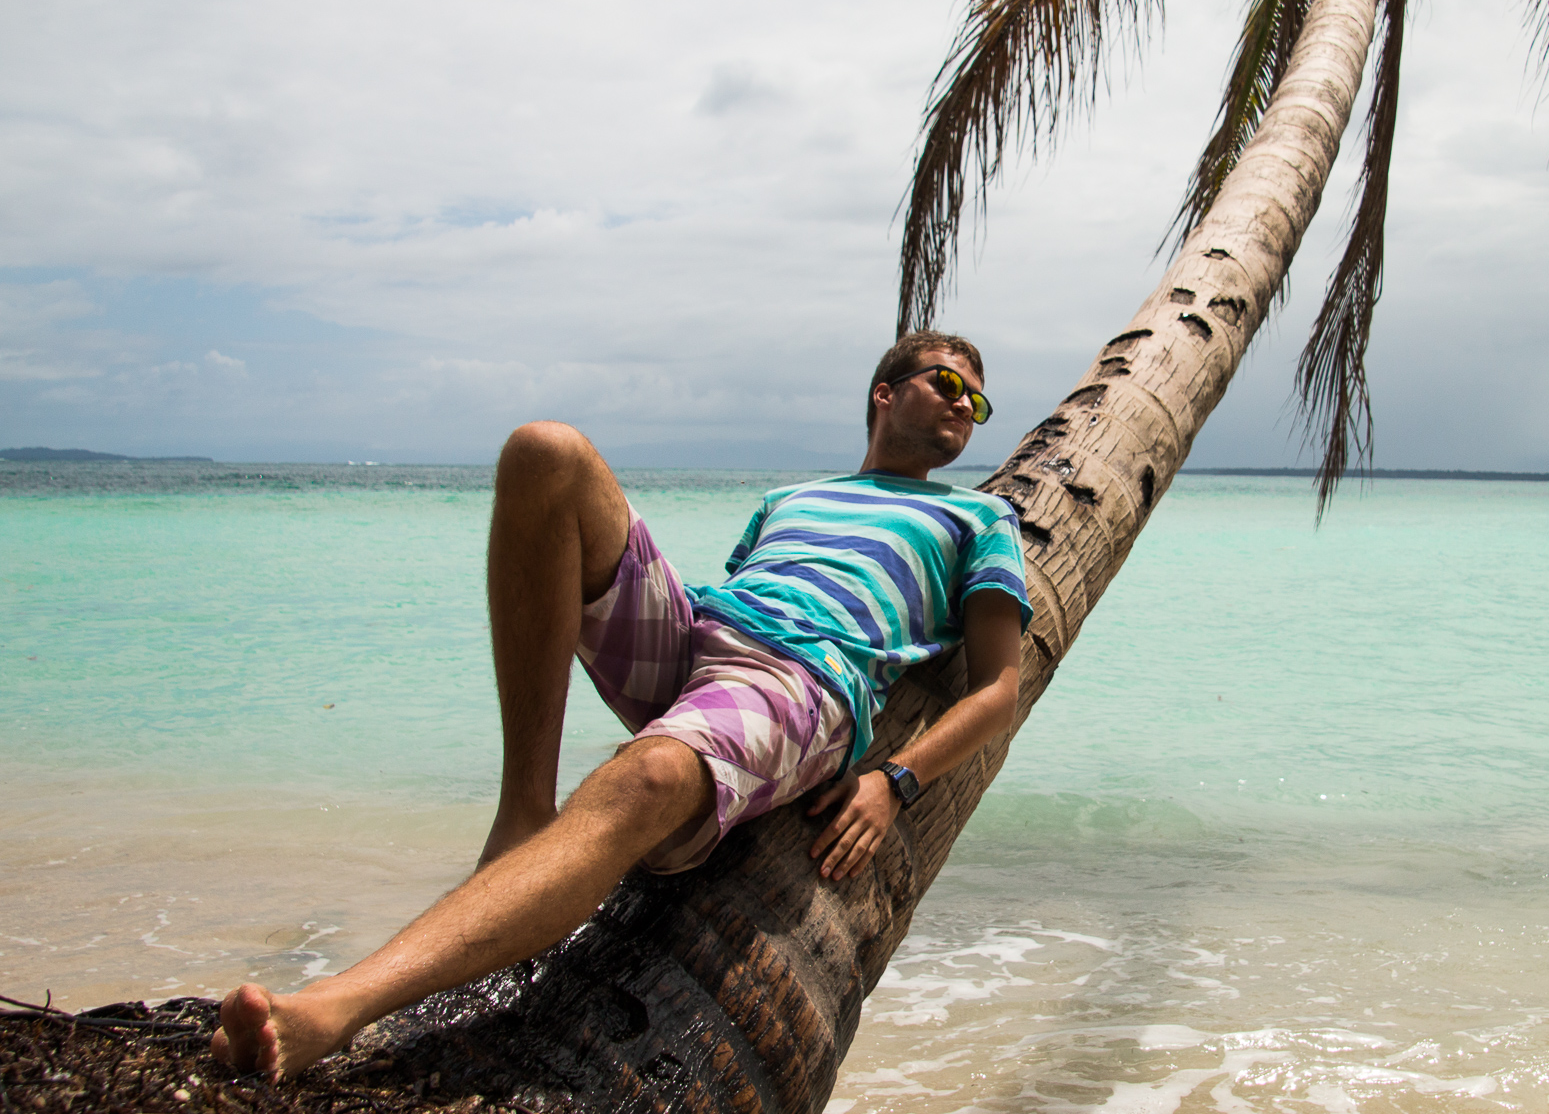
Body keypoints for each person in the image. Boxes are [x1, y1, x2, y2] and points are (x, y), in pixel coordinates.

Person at [211, 332, 1030, 1082]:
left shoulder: (976, 515)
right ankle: (524, 807)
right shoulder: (791, 497)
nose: (965, 404)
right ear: (885, 392)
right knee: (546, 452)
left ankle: (335, 1008)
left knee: (646, 780)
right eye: (948, 382)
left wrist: (897, 779)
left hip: (800, 677)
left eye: (978, 401)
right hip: (702, 633)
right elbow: (743, 582)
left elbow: (1001, 685)